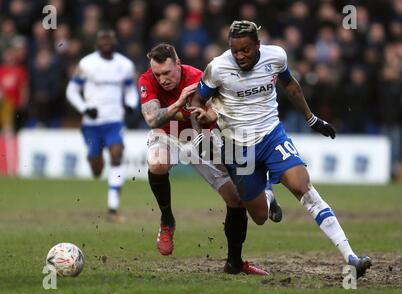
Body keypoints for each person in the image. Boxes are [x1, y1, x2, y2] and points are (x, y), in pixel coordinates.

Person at [191, 20, 372, 278]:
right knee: (260, 217)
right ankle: (267, 194)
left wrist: (312, 119)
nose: (240, 56)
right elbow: (198, 102)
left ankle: (350, 256)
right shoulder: (218, 67)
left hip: (272, 136)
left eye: (246, 50)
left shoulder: (276, 56)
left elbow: (290, 85)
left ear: (258, 45)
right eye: (235, 50)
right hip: (237, 147)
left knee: (303, 187)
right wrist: (200, 135)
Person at [138, 43, 282, 275]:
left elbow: (216, 113)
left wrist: (203, 130)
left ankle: (235, 262)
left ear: (178, 64)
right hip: (167, 135)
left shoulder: (200, 78)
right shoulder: (147, 80)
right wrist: (177, 102)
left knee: (236, 199)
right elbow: (153, 120)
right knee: (157, 162)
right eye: (158, 74)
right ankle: (167, 221)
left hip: (201, 137)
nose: (162, 79)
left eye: (167, 73)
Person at [66, 29, 139, 222]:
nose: (106, 42)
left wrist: (131, 105)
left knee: (117, 153)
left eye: (110, 38)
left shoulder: (125, 65)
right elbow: (72, 91)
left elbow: (131, 90)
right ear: (97, 43)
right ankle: (96, 161)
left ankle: (113, 207)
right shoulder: (86, 64)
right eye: (103, 39)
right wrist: (85, 108)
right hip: (91, 124)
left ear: (115, 42)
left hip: (114, 121)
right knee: (97, 169)